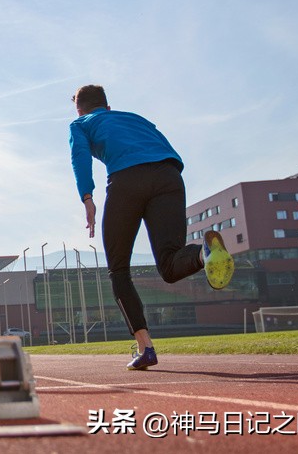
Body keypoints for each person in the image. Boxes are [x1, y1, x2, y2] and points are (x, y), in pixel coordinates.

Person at [68, 85, 233, 370]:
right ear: (108, 107)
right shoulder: (136, 118)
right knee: (170, 264)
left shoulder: (80, 123)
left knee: (119, 270)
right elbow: (164, 147)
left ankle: (145, 348)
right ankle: (202, 253)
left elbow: (79, 156)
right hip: (169, 176)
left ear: (79, 110)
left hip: (127, 180)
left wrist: (87, 197)